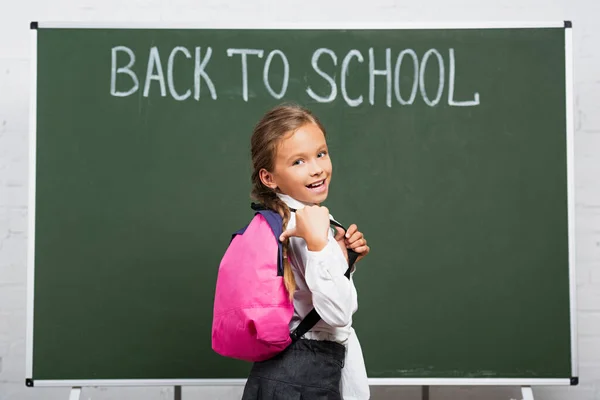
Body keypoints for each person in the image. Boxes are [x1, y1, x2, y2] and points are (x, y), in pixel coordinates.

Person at [241, 104, 371, 400]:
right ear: (269, 177)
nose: (316, 169)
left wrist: (344, 260)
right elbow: (338, 314)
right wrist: (317, 245)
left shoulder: (281, 217)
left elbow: (303, 291)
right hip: (307, 374)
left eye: (321, 154)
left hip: (286, 373)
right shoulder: (304, 224)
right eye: (298, 161)